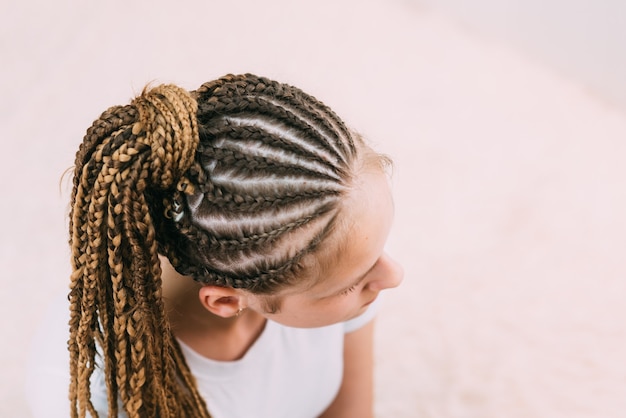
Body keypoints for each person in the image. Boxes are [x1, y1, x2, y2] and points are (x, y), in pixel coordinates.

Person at [28, 73, 403, 418]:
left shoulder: (341, 255)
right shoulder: (88, 394)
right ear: (225, 301)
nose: (393, 275)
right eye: (351, 283)